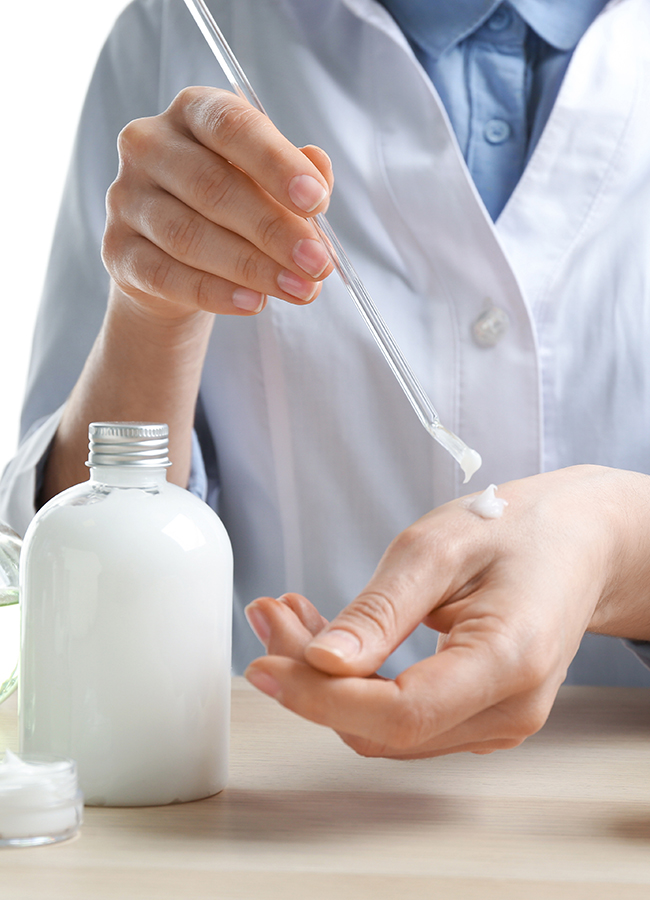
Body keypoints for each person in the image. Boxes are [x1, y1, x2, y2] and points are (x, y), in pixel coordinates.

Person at [2, 0, 650, 758]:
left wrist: (622, 542)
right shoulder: (180, 29)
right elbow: (66, 575)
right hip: (269, 801)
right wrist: (154, 319)